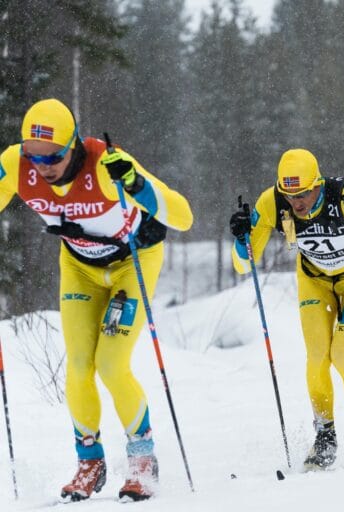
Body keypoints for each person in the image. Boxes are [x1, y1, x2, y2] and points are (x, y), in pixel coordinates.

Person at [0, 99, 193, 501]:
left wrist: (137, 185)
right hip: (79, 268)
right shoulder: (16, 164)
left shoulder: (106, 163)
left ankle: (142, 458)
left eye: (53, 156)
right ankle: (90, 461)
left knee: (111, 363)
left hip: (131, 264)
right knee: (78, 365)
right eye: (35, 158)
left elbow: (183, 216)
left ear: (74, 145)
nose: (43, 167)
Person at [229, 148, 344, 471]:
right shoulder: (273, 202)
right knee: (316, 356)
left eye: (305, 193)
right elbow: (243, 265)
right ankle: (325, 436)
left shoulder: (343, 196)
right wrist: (242, 238)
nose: (297, 202)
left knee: (343, 354)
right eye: (290, 194)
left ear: (318, 184)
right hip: (315, 280)